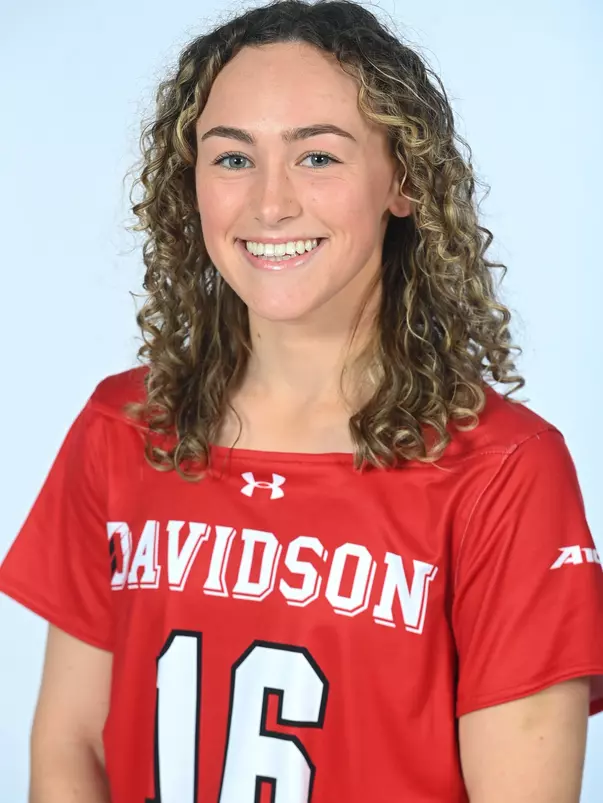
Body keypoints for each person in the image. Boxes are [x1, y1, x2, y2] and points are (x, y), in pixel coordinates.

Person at [1, 0, 602, 801]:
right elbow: (72, 745)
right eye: (232, 159)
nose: (270, 203)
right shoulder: (124, 428)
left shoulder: (502, 468)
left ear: (405, 182)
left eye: (317, 157)